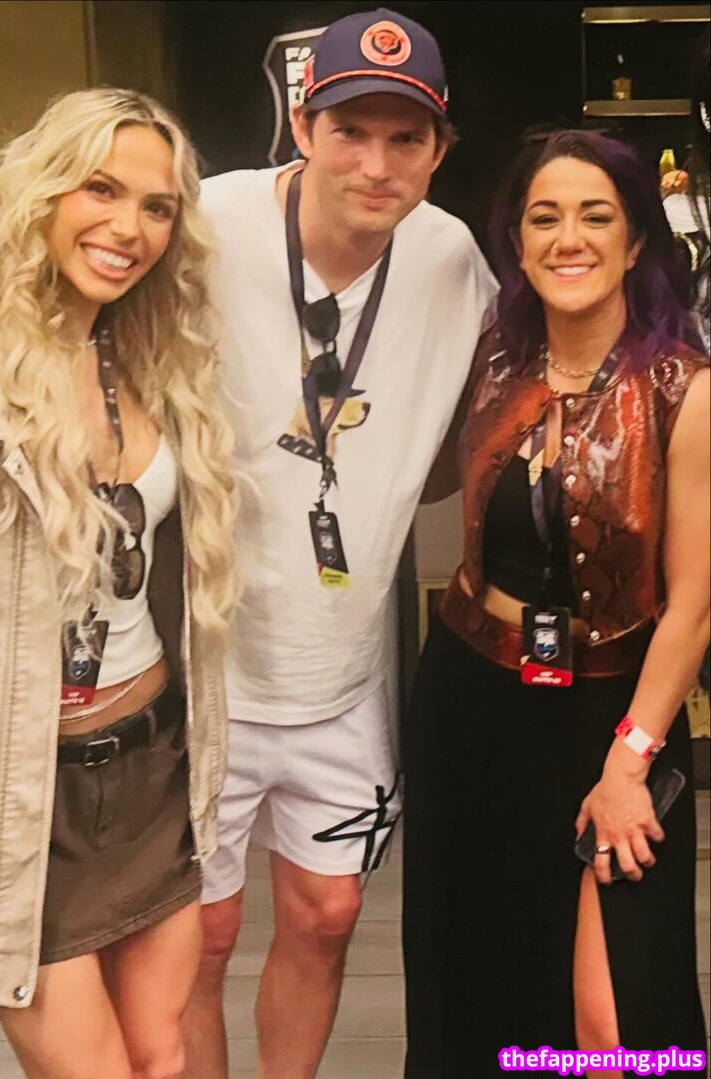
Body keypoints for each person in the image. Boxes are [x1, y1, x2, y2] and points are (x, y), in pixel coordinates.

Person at [0, 88, 238, 1079]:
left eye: (157, 207)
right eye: (100, 190)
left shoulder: (144, 352)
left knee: (163, 1056)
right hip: (19, 790)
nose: (129, 228)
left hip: (152, 766)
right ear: (42, 191)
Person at [181, 9, 497, 1078]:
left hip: (343, 661)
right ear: (304, 126)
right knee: (203, 933)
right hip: (204, 659)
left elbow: (473, 428)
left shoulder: (449, 257)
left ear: (440, 150)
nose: (375, 163)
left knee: (325, 912)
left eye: (406, 138)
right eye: (350, 130)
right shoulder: (209, 223)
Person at [402, 129, 709, 1076]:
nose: (568, 238)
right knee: (478, 977)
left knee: (611, 1021)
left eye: (594, 216)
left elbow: (695, 605)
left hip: (613, 715)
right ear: (519, 242)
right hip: (471, 700)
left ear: (635, 240)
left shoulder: (684, 389)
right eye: (544, 218)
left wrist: (630, 761)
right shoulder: (489, 360)